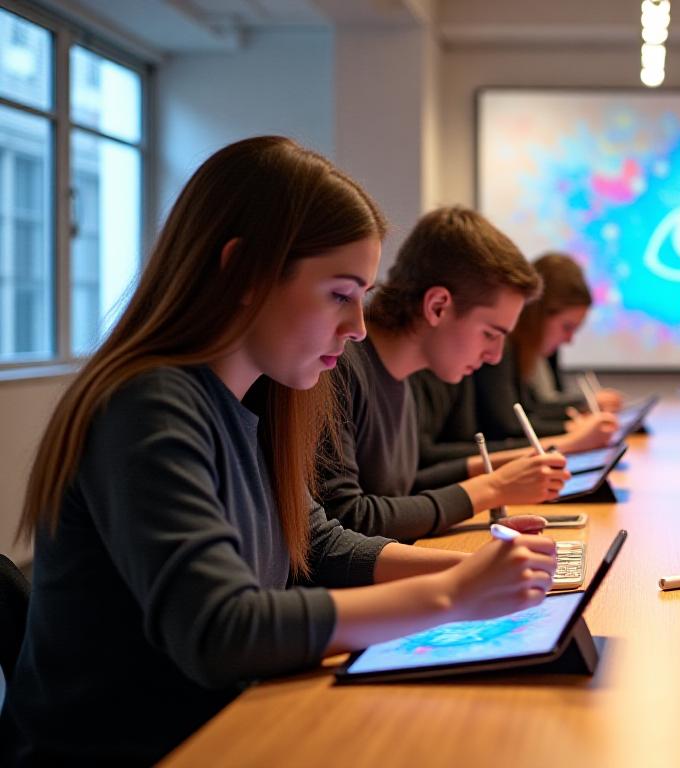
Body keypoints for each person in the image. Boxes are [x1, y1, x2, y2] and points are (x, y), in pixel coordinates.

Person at [3, 138, 556, 764]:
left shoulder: (261, 399)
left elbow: (317, 545)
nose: (357, 329)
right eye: (339, 294)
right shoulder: (147, 406)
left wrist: (475, 572)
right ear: (244, 271)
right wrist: (453, 598)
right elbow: (221, 630)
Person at [317, 209, 591, 541]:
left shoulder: (401, 375)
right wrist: (493, 487)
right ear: (437, 307)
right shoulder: (336, 369)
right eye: (490, 334)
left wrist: (504, 474)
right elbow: (348, 519)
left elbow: (405, 490)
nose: (493, 356)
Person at [470, 253, 621, 443]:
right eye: (567, 327)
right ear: (537, 314)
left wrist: (581, 413)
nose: (569, 340)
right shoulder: (502, 348)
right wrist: (573, 428)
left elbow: (535, 409)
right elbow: (508, 426)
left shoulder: (535, 351)